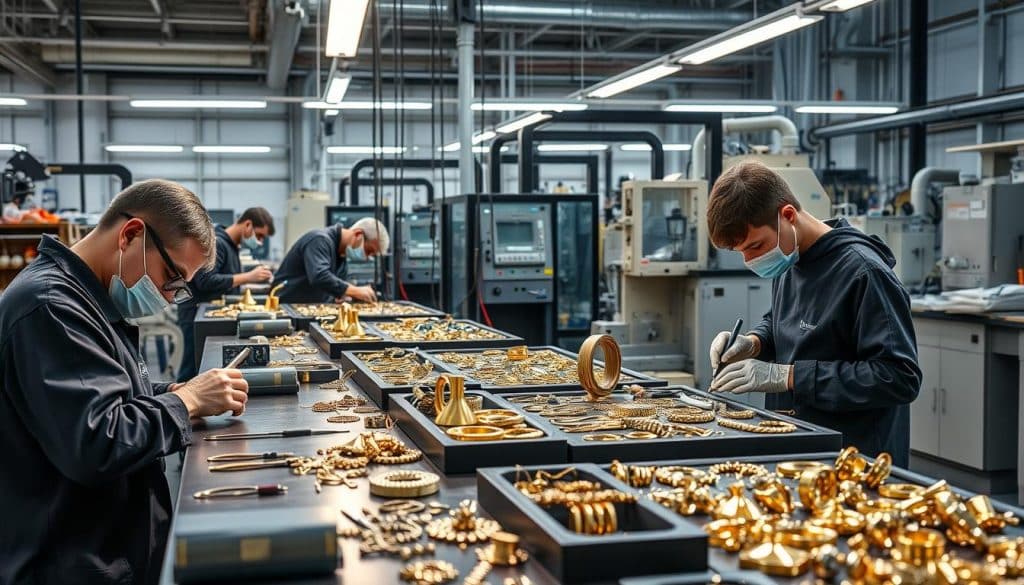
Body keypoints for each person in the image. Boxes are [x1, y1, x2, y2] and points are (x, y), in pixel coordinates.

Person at [0, 179, 250, 584]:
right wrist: (184, 402)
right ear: (132, 235)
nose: (170, 298)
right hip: (68, 563)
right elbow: (97, 441)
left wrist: (171, 392)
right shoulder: (50, 307)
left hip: (103, 549)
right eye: (171, 277)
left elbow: (99, 394)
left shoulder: (87, 299)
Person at [706, 161, 921, 467]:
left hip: (853, 458)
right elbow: (785, 321)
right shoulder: (790, 258)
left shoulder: (864, 273)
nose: (750, 260)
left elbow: (899, 377)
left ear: (788, 216)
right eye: (742, 252)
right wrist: (754, 342)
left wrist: (789, 376)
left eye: (755, 245)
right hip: (798, 445)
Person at [176, 207, 276, 381]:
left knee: (202, 368)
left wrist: (250, 284)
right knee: (192, 368)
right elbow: (206, 281)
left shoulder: (230, 245)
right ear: (248, 224)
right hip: (197, 315)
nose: (259, 242)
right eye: (259, 236)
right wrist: (247, 276)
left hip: (208, 316)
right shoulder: (218, 243)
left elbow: (224, 282)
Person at [272, 217, 388, 304]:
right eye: (368, 251)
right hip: (287, 309)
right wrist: (354, 290)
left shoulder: (341, 259)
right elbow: (319, 276)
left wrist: (344, 296)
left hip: (309, 310)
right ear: (358, 234)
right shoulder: (319, 240)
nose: (367, 257)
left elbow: (335, 290)